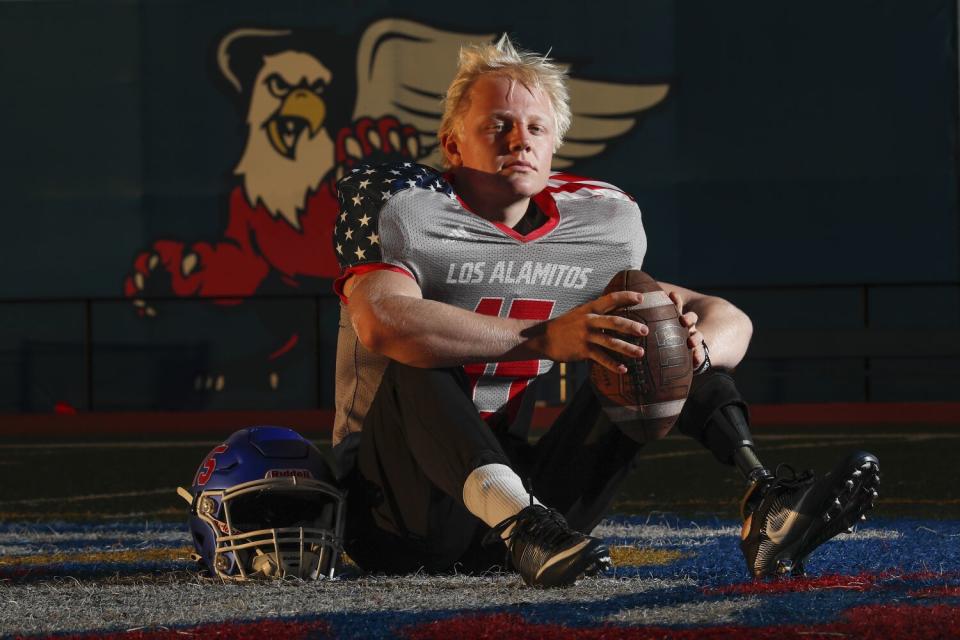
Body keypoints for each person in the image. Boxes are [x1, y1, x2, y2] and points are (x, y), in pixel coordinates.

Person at [330, 35, 880, 587]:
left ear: (554, 147)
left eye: (536, 129)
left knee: (653, 331)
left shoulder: (593, 224)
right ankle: (520, 523)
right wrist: (545, 337)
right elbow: (383, 322)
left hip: (535, 517)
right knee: (417, 355)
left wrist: (694, 347)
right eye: (499, 125)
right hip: (393, 513)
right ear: (453, 146)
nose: (520, 140)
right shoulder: (405, 204)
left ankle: (766, 499)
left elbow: (729, 316)